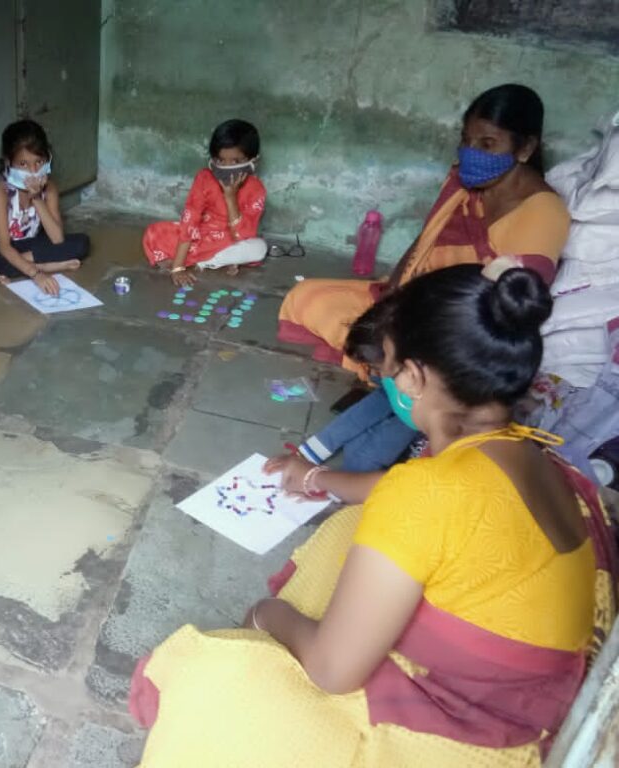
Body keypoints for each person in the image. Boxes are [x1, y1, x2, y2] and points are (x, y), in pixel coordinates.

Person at [130, 265, 618, 768]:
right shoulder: (531, 455)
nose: (384, 380)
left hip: (465, 740)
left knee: (215, 681)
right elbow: (406, 493)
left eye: (386, 366)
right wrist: (314, 479)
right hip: (530, 696)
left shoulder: (428, 491)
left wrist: (265, 616)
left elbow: (332, 671)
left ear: (413, 375)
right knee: (347, 527)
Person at [283, 84, 571, 473]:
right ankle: (382, 365)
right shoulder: (461, 181)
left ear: (524, 148)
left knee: (367, 455)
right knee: (308, 297)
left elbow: (506, 303)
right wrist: (390, 304)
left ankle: (392, 384)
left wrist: (414, 335)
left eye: (488, 143)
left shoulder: (543, 213)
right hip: (414, 304)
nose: (472, 153)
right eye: (466, 141)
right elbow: (423, 243)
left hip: (459, 329)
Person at [0, 119, 91, 296]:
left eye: (39, 162)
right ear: (8, 162)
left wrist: (36, 197)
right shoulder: (0, 188)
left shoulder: (49, 188)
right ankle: (43, 264)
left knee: (81, 244)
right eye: (23, 164)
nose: (33, 171)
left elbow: (57, 238)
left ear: (47, 158)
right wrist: (37, 274)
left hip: (24, 245)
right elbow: (4, 246)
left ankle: (13, 266)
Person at [142, 119, 267, 287]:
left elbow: (242, 234)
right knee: (154, 233)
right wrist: (178, 267)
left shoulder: (256, 189)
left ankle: (204, 263)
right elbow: (190, 220)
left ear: (253, 162)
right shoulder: (204, 178)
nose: (227, 168)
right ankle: (215, 261)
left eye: (236, 162)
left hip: (230, 240)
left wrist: (230, 197)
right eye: (221, 161)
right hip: (201, 237)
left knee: (258, 248)